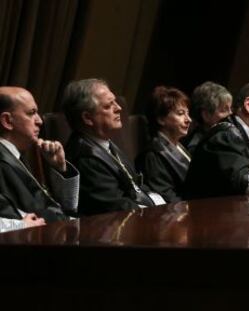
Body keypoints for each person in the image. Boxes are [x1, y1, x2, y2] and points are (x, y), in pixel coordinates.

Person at [63, 78, 165, 216]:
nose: (119, 108)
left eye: (115, 102)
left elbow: (135, 185)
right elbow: (115, 207)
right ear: (87, 118)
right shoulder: (85, 157)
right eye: (108, 106)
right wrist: (155, 212)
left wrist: (160, 203)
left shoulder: (104, 143)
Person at [0, 87, 79, 232]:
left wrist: (59, 169)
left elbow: (68, 208)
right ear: (7, 121)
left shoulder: (17, 155)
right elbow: (31, 219)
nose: (40, 121)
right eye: (31, 113)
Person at [136, 86, 192, 203]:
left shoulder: (179, 146)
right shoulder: (152, 155)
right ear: (161, 119)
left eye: (188, 113)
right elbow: (167, 198)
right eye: (181, 113)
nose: (188, 119)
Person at [183, 81, 232, 154]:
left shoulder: (227, 137)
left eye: (230, 108)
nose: (230, 113)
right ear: (206, 115)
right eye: (223, 110)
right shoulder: (198, 148)